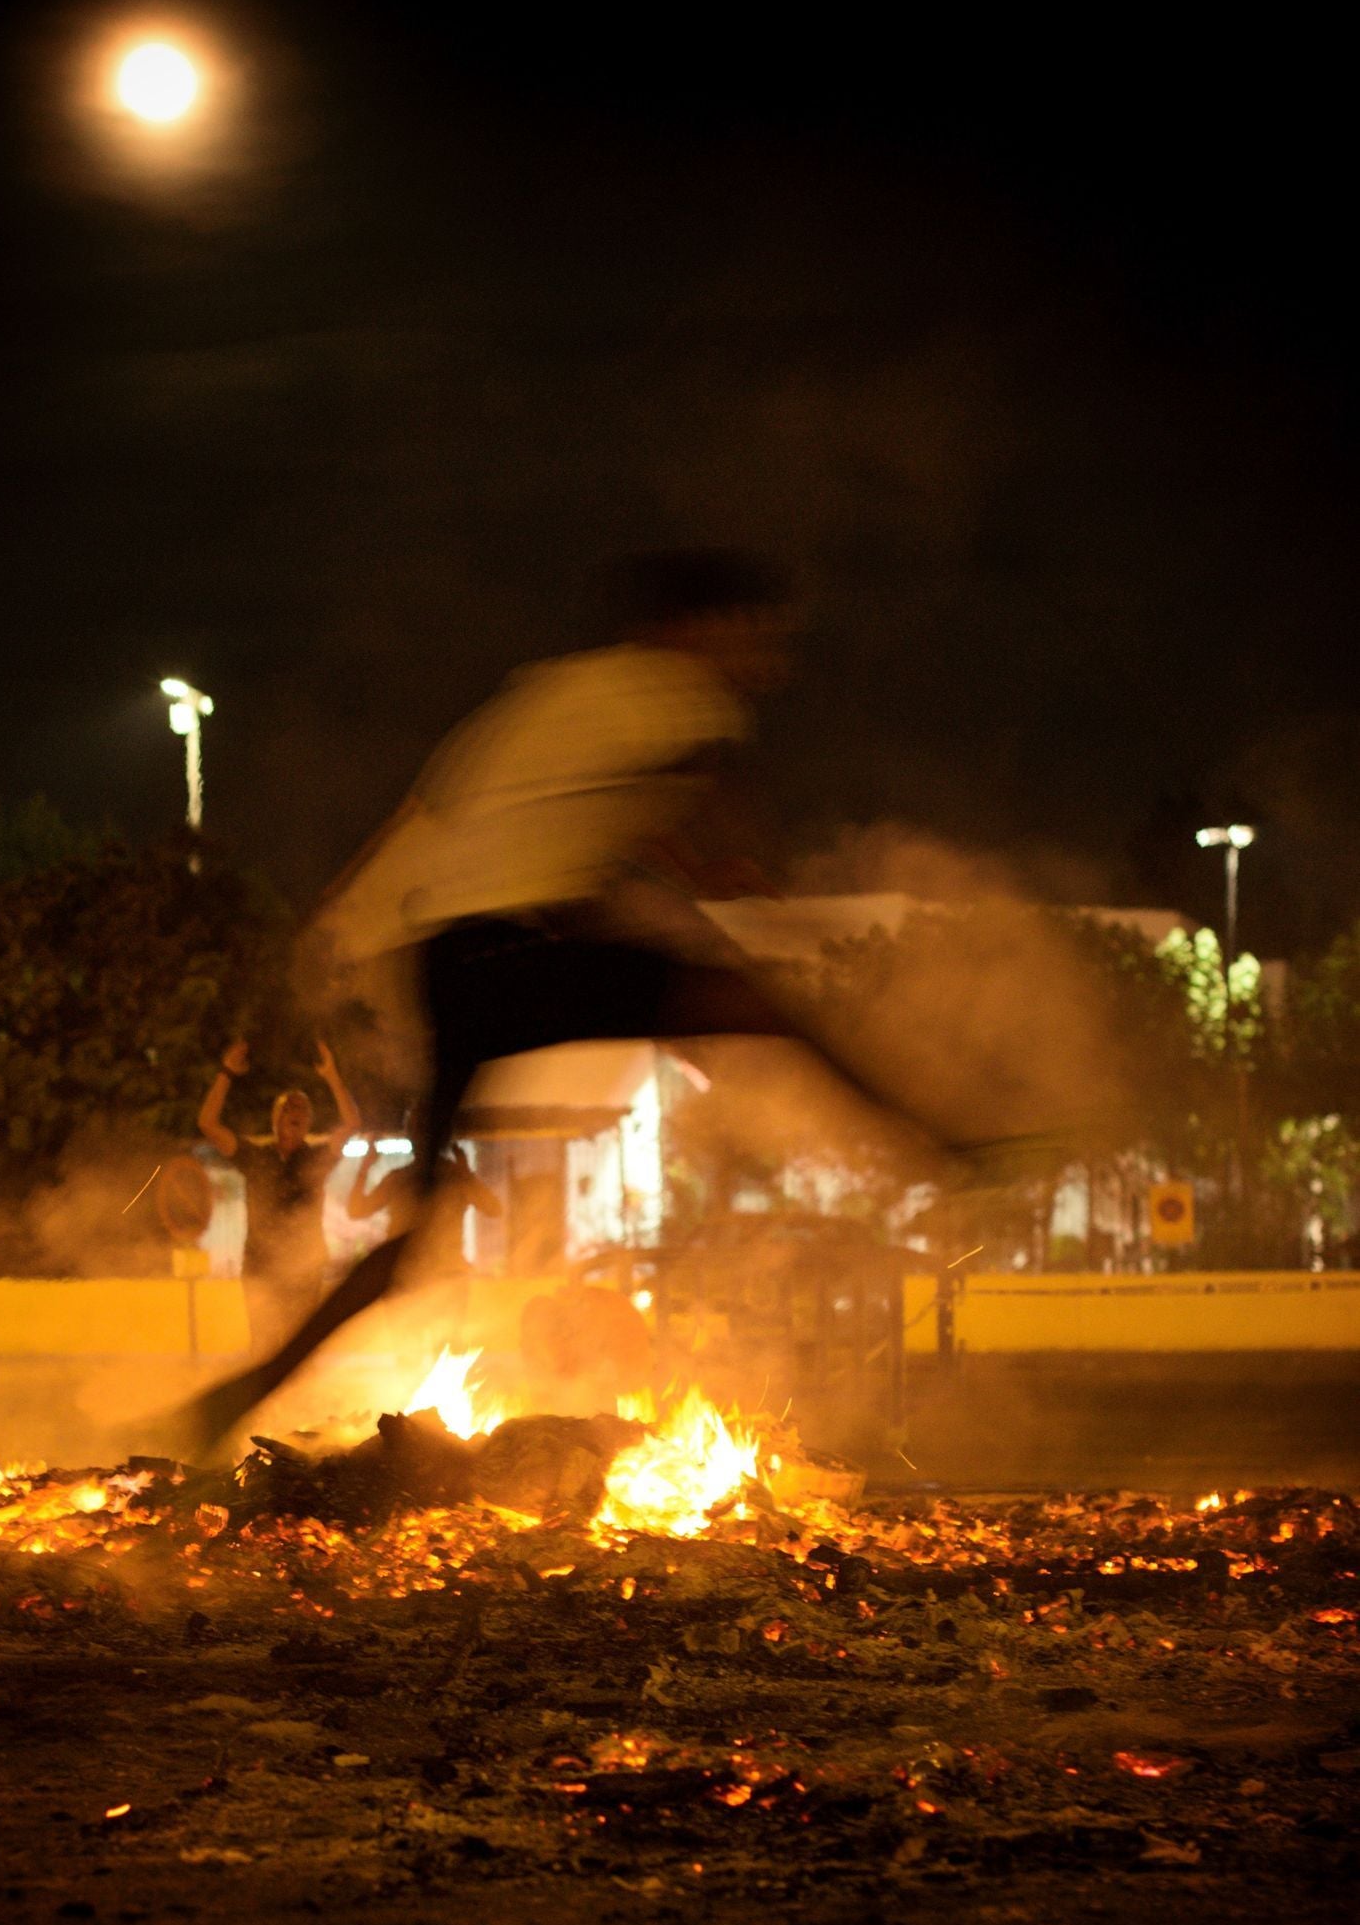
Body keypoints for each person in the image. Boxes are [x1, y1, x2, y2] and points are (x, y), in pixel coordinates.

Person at [173, 549, 954, 1454]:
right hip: (516, 950)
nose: (766, 662)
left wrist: (340, 932)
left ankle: (238, 1396)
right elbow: (705, 810)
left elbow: (470, 822)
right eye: (756, 636)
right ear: (696, 628)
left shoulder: (544, 700)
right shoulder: (677, 693)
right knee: (755, 1001)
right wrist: (723, 870)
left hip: (448, 961)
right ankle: (933, 1137)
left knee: (419, 1231)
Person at [197, 1038, 362, 1351]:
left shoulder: (316, 1158)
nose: (296, 1112)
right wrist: (226, 1073)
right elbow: (207, 1123)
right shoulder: (254, 1157)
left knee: (299, 1352)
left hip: (303, 1271)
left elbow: (352, 1123)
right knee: (262, 1349)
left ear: (308, 1124)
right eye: (289, 1107)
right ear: (275, 1120)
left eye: (303, 1109)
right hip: (261, 1270)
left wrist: (332, 1076)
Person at [347, 1134, 503, 1348]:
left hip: (445, 1277)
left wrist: (467, 1175)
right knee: (408, 1352)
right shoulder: (400, 1178)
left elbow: (494, 1209)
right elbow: (357, 1210)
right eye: (418, 1130)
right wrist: (364, 1168)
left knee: (448, 1350)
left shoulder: (454, 1175)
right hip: (406, 1278)